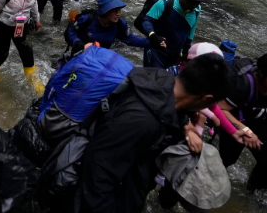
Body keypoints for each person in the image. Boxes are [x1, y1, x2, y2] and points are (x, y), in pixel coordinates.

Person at [77, 53, 234, 213]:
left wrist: (185, 125)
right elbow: (97, 173)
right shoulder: (143, 120)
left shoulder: (161, 79)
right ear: (205, 99)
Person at [218, 54, 267, 191]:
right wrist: (246, 131)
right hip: (238, 122)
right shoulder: (244, 84)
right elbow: (220, 109)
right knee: (226, 160)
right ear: (262, 74)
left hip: (260, 123)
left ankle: (252, 192)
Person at [141, 0, 206, 69]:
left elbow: (191, 30)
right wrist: (153, 35)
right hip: (156, 51)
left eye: (197, 2)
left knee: (171, 81)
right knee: (154, 80)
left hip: (175, 55)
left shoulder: (196, 10)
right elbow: (146, 21)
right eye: (191, 1)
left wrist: (186, 50)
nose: (193, 5)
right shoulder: (164, 4)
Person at [65, 0, 149, 54]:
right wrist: (78, 43)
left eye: (119, 10)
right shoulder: (87, 19)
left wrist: (154, 42)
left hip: (101, 57)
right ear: (104, 11)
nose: (118, 13)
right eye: (114, 10)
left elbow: (131, 39)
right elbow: (70, 31)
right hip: (80, 54)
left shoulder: (120, 24)